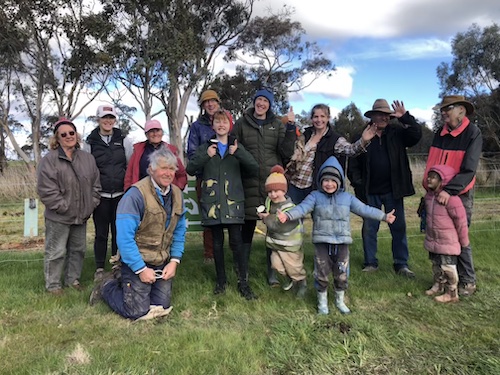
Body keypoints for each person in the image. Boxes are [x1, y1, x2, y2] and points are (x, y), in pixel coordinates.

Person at [278, 156, 396, 314]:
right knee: (321, 273)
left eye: (333, 180)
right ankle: (322, 304)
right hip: (322, 243)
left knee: (341, 274)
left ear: (339, 181)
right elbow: (302, 208)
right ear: (320, 181)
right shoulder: (314, 196)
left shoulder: (347, 198)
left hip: (342, 243)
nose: (329, 184)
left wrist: (383, 216)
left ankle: (339, 301)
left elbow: (365, 209)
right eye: (325, 180)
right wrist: (288, 215)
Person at [90, 147, 186, 321]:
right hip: (137, 259)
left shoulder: (178, 195)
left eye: (172, 169)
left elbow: (179, 231)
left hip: (161, 261)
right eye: (163, 168)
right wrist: (140, 269)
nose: (168, 173)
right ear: (151, 170)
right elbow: (124, 238)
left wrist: (174, 261)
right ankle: (107, 286)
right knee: (137, 311)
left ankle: (130, 284)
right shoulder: (135, 195)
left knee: (160, 307)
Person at [186, 109, 259, 299]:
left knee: (237, 242)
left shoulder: (236, 145)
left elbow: (254, 168)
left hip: (233, 202)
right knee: (217, 244)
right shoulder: (206, 147)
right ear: (213, 126)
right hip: (213, 205)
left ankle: (243, 282)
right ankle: (221, 281)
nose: (221, 125)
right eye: (217, 122)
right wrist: (206, 156)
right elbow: (191, 168)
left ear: (230, 125)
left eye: (224, 122)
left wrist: (240, 152)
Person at [348, 99, 422, 277]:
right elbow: (352, 162)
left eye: (385, 115)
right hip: (369, 191)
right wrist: (358, 183)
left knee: (398, 227)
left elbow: (416, 135)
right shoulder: (362, 134)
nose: (382, 118)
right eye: (378, 114)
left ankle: (401, 264)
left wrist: (405, 117)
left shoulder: (397, 132)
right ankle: (370, 263)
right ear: (372, 116)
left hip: (393, 190)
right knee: (370, 228)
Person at [232, 88, 297, 287]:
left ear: (270, 105)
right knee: (247, 231)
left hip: (272, 186)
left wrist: (291, 128)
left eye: (265, 101)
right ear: (254, 101)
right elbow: (235, 148)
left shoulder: (277, 124)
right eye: (259, 99)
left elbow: (286, 151)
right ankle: (242, 270)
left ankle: (273, 273)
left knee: (274, 230)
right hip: (248, 183)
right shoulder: (242, 123)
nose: (261, 104)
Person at [423, 95, 482, 297]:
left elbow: (469, 169)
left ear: (461, 111)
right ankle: (444, 281)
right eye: (443, 109)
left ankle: (467, 281)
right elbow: (432, 163)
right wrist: (429, 187)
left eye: (449, 108)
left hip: (459, 194)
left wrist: (450, 190)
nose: (444, 112)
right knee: (439, 236)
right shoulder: (440, 133)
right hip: (435, 193)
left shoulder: (473, 133)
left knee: (459, 237)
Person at [37, 118, 101, 295]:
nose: (68, 136)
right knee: (56, 251)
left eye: (71, 133)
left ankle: (73, 280)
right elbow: (46, 190)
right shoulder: (49, 161)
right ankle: (53, 286)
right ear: (57, 139)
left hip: (82, 215)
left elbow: (96, 185)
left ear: (77, 135)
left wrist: (91, 204)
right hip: (59, 216)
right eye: (63, 134)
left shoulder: (87, 159)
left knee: (78, 250)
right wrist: (63, 206)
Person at [286, 103, 376, 204]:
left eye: (322, 116)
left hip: (315, 188)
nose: (319, 120)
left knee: (320, 219)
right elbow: (289, 151)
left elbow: (351, 150)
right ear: (311, 119)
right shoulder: (306, 134)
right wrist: (290, 125)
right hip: (295, 185)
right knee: (292, 217)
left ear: (328, 118)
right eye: (316, 116)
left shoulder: (335, 139)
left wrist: (363, 140)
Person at [85, 104, 133, 281]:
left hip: (121, 195)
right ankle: (99, 267)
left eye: (111, 118)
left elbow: (129, 165)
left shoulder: (124, 139)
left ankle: (116, 265)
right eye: (104, 118)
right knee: (101, 233)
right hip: (101, 196)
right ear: (98, 119)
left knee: (119, 232)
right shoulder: (90, 142)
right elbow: (87, 170)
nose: (108, 121)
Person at [187, 90, 228, 264]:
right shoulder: (197, 127)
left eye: (213, 101)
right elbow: (192, 153)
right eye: (206, 102)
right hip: (205, 178)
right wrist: (207, 154)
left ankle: (233, 252)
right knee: (209, 217)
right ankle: (210, 254)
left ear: (218, 103)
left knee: (231, 216)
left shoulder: (227, 121)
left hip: (227, 178)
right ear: (203, 106)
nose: (210, 104)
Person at [257, 165, 307, 298]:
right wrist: (264, 216)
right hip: (276, 243)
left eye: (277, 191)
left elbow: (277, 226)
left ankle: (301, 283)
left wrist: (267, 218)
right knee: (276, 265)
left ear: (284, 191)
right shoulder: (269, 202)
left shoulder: (289, 208)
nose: (273, 194)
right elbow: (270, 219)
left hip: (290, 244)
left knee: (294, 267)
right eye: (270, 192)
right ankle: (291, 279)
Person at [423, 165, 469, 303]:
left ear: (443, 180)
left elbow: (461, 222)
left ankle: (452, 293)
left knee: (448, 267)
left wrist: (464, 240)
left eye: (434, 177)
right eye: (429, 176)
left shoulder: (452, 200)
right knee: (436, 265)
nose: (429, 179)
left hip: (447, 241)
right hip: (434, 239)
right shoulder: (429, 197)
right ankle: (438, 285)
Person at [124, 119, 187, 191]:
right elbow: (129, 174)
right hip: (143, 192)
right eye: (151, 131)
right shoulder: (138, 151)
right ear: (146, 134)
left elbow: (181, 174)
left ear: (162, 132)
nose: (155, 134)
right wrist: (128, 190)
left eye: (157, 130)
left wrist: (177, 188)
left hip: (166, 193)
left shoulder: (171, 151)